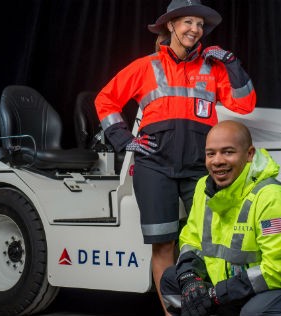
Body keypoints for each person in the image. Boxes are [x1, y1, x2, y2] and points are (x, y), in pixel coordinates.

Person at [94, 0, 257, 314]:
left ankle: (207, 307)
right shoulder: (146, 66)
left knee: (208, 243)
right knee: (164, 244)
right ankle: (172, 313)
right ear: (170, 25)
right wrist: (124, 139)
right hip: (154, 166)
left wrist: (233, 64)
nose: (194, 30)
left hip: (200, 168)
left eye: (199, 24)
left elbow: (245, 104)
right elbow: (106, 99)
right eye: (187, 22)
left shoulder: (213, 69)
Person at [159, 120, 281, 316]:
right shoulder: (203, 188)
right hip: (240, 288)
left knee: (255, 311)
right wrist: (189, 279)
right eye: (211, 153)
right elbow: (191, 240)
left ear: (249, 154)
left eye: (228, 152)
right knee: (172, 280)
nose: (217, 160)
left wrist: (216, 294)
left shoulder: (271, 196)